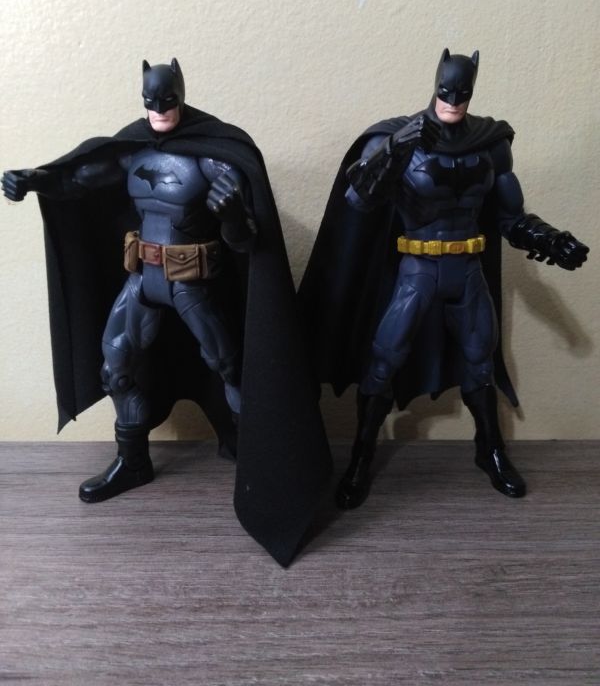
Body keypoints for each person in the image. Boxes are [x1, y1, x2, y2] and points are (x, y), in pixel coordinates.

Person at [2, 59, 332, 565]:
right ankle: (133, 460)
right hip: (143, 280)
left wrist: (233, 213)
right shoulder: (132, 150)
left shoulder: (213, 157)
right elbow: (80, 179)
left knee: (228, 365)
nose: (159, 110)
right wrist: (35, 179)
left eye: (167, 100)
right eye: (151, 102)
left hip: (192, 285)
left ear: (181, 95)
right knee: (115, 366)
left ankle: (250, 454)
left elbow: (247, 241)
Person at [299, 49, 588, 510]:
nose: (453, 100)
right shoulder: (399, 137)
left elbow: (511, 217)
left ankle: (490, 450)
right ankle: (361, 457)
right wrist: (394, 150)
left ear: (472, 90)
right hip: (416, 271)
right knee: (382, 361)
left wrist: (551, 239)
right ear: (435, 85)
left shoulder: (490, 143)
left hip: (467, 269)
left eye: (462, 92)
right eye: (446, 91)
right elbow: (358, 200)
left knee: (480, 361)